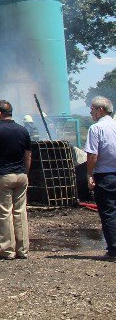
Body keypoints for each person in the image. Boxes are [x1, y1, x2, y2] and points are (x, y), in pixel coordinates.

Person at [0, 99, 32, 260]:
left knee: (4, 213)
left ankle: (8, 250)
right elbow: (28, 155)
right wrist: (25, 172)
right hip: (21, 176)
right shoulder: (23, 130)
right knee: (20, 212)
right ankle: (22, 250)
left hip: (2, 176)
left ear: (0, 113)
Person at [85, 96, 116, 261]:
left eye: (92, 109)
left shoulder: (96, 128)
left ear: (101, 110)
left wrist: (89, 174)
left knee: (109, 212)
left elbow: (92, 155)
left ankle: (113, 250)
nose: (91, 111)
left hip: (105, 175)